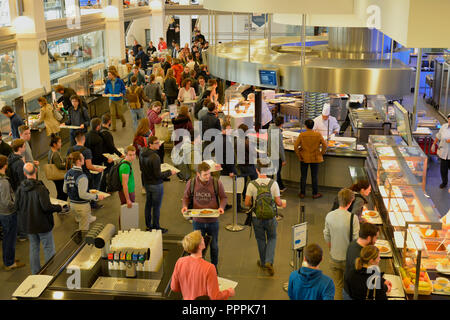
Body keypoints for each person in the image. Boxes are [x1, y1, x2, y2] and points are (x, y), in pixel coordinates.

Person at [15, 162, 63, 274]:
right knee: (48, 248)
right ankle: (52, 271)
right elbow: (46, 207)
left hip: (28, 225)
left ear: (24, 173)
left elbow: (16, 206)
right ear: (36, 171)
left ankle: (35, 272)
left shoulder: (20, 189)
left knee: (34, 247)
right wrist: (59, 208)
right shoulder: (40, 188)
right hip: (42, 224)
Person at [181, 162, 227, 272]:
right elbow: (185, 198)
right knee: (197, 245)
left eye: (209, 174)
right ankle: (200, 267)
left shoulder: (216, 182)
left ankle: (214, 267)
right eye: (205, 175)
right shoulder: (191, 183)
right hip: (197, 220)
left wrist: (221, 207)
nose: (208, 177)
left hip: (213, 220)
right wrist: (185, 207)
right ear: (198, 174)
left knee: (214, 245)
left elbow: (223, 197)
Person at [244, 161, 285, 276]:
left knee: (261, 239)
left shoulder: (252, 184)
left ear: (257, 170)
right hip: (271, 217)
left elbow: (247, 203)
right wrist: (282, 204)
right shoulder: (274, 184)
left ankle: (263, 262)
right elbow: (278, 202)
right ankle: (269, 261)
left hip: (256, 217)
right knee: (272, 237)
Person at [170, 230, 235, 300]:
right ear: (200, 246)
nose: (203, 238)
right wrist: (228, 292)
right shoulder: (209, 268)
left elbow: (174, 287)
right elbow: (214, 297)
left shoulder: (180, 262)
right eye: (201, 238)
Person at [323, 188, 360, 300]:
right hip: (348, 260)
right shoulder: (353, 218)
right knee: (349, 287)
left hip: (334, 258)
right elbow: (356, 240)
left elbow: (326, 236)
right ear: (350, 202)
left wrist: (332, 248)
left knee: (337, 286)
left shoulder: (329, 215)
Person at [140, 136, 176, 233]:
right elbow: (158, 175)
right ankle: (156, 226)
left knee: (148, 205)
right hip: (156, 185)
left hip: (147, 183)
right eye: (156, 143)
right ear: (150, 144)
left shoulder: (142, 153)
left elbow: (142, 169)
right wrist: (169, 172)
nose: (159, 144)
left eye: (159, 142)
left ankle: (148, 226)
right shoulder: (155, 157)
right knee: (156, 207)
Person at [64, 151, 105, 231]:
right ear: (79, 161)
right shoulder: (82, 176)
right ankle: (81, 242)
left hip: (72, 204)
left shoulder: (67, 173)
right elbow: (82, 195)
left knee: (83, 220)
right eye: (83, 158)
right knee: (83, 230)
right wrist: (96, 196)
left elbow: (65, 190)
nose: (84, 159)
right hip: (82, 206)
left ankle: (88, 218)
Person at [0, 155, 25, 271]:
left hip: (2, 213)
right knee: (10, 238)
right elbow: (6, 201)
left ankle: (8, 258)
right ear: (5, 165)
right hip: (8, 214)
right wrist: (16, 205)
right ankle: (9, 263)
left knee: (7, 237)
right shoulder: (4, 182)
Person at [343, 222, 379, 300]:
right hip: (352, 294)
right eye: (376, 238)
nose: (376, 241)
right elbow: (362, 279)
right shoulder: (359, 255)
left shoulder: (354, 243)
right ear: (369, 238)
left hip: (349, 288)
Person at [294, 119, 327, 199]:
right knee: (314, 176)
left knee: (303, 176)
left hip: (304, 158)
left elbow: (295, 146)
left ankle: (302, 193)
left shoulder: (302, 135)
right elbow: (325, 145)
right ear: (313, 126)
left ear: (305, 126)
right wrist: (321, 153)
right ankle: (315, 193)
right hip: (315, 158)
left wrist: (299, 155)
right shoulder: (318, 135)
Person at [85, 118, 112, 199]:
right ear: (97, 127)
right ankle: (94, 200)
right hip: (96, 164)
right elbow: (98, 154)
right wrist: (107, 159)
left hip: (88, 162)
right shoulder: (98, 139)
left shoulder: (87, 135)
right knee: (96, 183)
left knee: (89, 182)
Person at [104, 67, 127, 131]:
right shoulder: (108, 82)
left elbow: (123, 89)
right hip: (111, 99)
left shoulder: (119, 81)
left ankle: (123, 121)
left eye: (109, 75)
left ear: (113, 75)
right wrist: (105, 93)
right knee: (112, 114)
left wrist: (122, 93)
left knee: (119, 113)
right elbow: (106, 90)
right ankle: (113, 127)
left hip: (119, 99)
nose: (108, 76)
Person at [268, 116, 287, 193]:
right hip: (276, 155)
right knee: (277, 172)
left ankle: (279, 186)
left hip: (270, 154)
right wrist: (283, 159)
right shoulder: (278, 133)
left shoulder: (270, 129)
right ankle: (276, 189)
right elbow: (280, 147)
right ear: (282, 124)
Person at [432, 113, 450, 188]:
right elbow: (438, 135)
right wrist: (434, 144)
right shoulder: (444, 126)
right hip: (443, 152)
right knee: (443, 169)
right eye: (449, 118)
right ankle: (444, 182)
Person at [48, 134, 67, 201]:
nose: (60, 144)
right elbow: (59, 166)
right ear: (54, 144)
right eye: (59, 142)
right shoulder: (55, 154)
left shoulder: (51, 151)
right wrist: (67, 164)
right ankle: (62, 207)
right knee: (62, 192)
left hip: (54, 176)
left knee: (60, 192)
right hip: (58, 177)